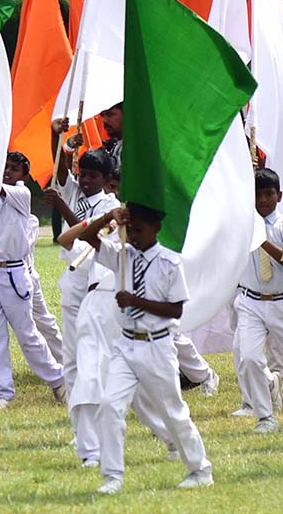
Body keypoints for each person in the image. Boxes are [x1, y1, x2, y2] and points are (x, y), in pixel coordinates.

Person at [77, 203, 212, 494]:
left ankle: (200, 469)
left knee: (173, 411)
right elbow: (87, 238)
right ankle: (112, 475)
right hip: (126, 344)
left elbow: (175, 310)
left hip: (157, 346)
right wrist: (107, 217)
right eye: (130, 229)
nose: (133, 235)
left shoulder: (168, 263)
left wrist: (136, 302)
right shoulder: (123, 255)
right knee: (111, 406)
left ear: (156, 228)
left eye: (139, 229)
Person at [44, 137, 120, 460]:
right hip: (72, 284)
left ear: (105, 180)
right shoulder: (74, 189)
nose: (86, 181)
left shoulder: (109, 205)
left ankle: (97, 426)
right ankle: (81, 430)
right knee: (71, 361)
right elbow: (60, 173)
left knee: (94, 361)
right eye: (83, 174)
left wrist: (60, 207)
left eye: (93, 176)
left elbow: (83, 234)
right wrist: (59, 139)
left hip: (96, 283)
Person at [0, 152, 65, 409]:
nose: (7, 172)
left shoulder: (21, 194)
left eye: (14, 169)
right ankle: (3, 392)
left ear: (24, 175)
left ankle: (57, 379)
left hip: (12, 273)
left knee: (27, 334)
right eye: (4, 167)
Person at [233, 169, 283, 438]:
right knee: (248, 357)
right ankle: (265, 415)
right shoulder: (242, 225)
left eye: (269, 194)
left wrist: (260, 238)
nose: (263, 200)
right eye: (257, 194)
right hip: (250, 301)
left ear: (279, 196)